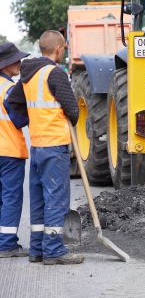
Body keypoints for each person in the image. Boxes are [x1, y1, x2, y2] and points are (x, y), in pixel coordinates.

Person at [8, 30, 84, 265]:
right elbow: (73, 110)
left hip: (38, 145)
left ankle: (38, 249)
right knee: (56, 198)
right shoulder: (55, 73)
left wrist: (28, 121)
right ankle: (53, 251)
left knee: (40, 198)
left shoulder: (28, 75)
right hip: (55, 145)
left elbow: (12, 101)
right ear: (59, 49)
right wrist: (69, 118)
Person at [0, 43, 29, 258]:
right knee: (11, 197)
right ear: (6, 64)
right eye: (16, 60)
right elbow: (19, 119)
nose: (19, 63)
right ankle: (7, 244)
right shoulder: (9, 89)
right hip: (9, 151)